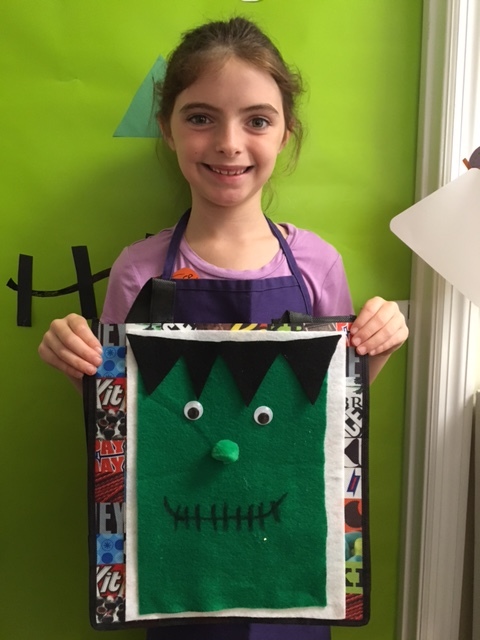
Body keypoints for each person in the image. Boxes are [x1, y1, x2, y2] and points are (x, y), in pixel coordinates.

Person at [38, 16, 408, 639]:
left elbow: (337, 406)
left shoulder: (316, 264)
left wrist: (380, 342)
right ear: (168, 128)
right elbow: (120, 417)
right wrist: (74, 359)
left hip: (290, 562)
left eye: (257, 119)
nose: (229, 142)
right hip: (178, 562)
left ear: (285, 133)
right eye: (201, 116)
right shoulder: (141, 268)